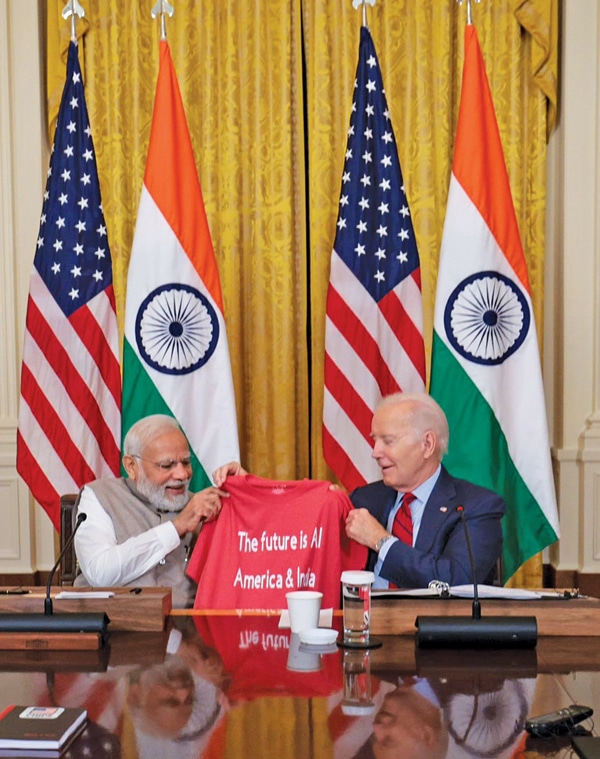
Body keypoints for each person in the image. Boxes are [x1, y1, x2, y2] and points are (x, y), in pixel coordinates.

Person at [74, 414, 238, 607]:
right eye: (166, 465)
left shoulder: (202, 506)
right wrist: (176, 527)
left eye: (186, 462)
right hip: (114, 626)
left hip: (185, 629)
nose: (182, 474)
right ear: (131, 466)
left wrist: (241, 493)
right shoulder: (100, 496)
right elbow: (100, 574)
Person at [345, 393, 505, 589]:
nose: (375, 453)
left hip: (435, 619)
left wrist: (380, 540)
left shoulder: (476, 507)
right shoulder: (364, 500)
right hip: (366, 618)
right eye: (375, 441)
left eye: (388, 441)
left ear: (427, 445)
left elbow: (456, 583)